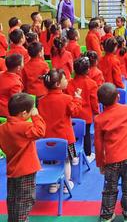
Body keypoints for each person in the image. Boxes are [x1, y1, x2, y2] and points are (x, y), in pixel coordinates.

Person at [94, 83, 127, 222]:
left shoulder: (99, 119)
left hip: (111, 161)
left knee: (110, 188)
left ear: (100, 101)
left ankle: (107, 215)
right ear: (118, 97)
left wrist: (100, 162)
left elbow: (98, 143)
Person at [0, 93, 46, 222]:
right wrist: (36, 116)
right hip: (26, 169)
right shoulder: (24, 127)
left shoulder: (3, 128)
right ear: (24, 113)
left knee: (13, 199)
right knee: (25, 200)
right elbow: (41, 131)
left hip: (12, 169)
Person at [38, 69, 82, 193]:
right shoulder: (67, 98)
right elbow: (75, 112)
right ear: (57, 84)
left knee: (51, 161)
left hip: (47, 138)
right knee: (66, 161)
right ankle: (66, 184)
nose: (67, 80)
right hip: (65, 137)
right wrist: (77, 99)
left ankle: (53, 185)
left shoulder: (41, 100)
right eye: (64, 79)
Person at [67, 56, 99, 163]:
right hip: (86, 115)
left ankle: (74, 155)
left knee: (73, 135)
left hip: (72, 114)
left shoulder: (69, 83)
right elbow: (94, 101)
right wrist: (96, 112)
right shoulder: (92, 84)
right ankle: (88, 154)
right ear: (88, 70)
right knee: (86, 135)